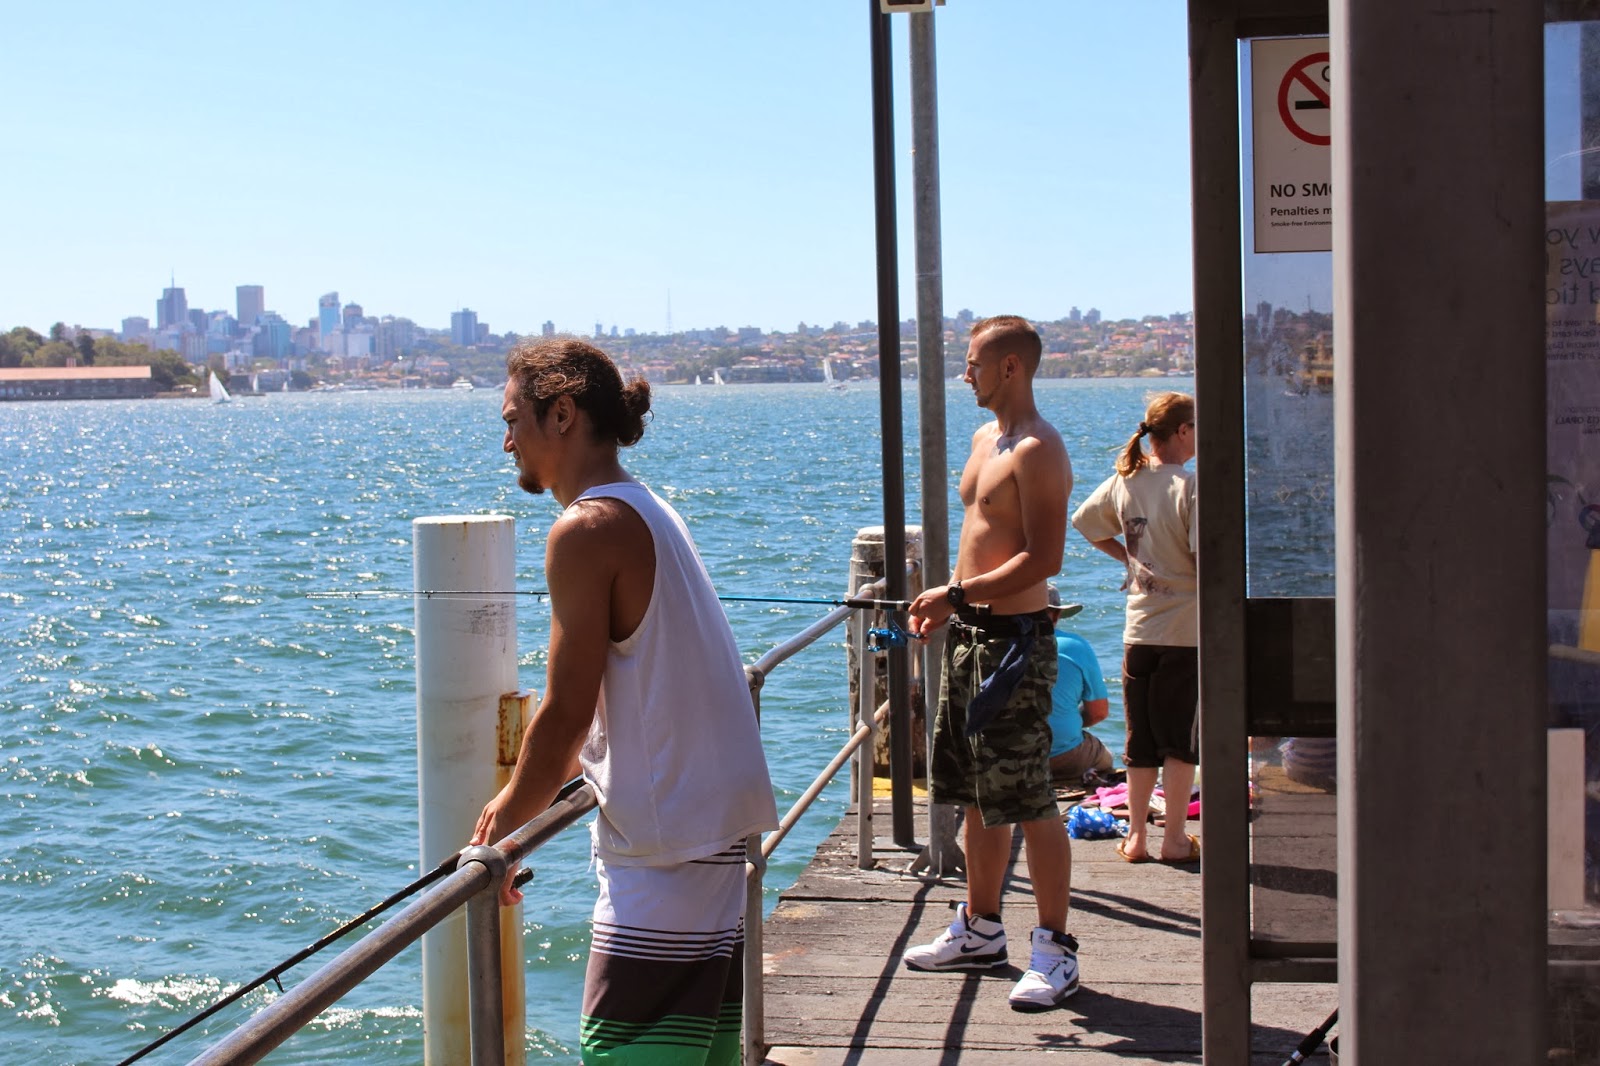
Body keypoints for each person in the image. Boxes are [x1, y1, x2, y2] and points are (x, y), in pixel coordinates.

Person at [470, 337, 778, 1065]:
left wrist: (501, 829)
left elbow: (566, 713)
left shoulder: (586, 528)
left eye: (513, 420)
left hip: (669, 846)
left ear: (562, 414)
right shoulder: (647, 506)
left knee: (621, 1053)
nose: (506, 441)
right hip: (712, 829)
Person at [900, 315, 1081, 1013]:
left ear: (1011, 367)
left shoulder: (1039, 449)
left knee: (1030, 797)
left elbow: (1044, 558)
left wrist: (954, 594)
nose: (964, 373)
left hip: (1014, 647)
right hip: (970, 637)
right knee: (976, 791)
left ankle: (1056, 950)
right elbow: (981, 539)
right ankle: (980, 930)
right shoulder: (985, 440)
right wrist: (949, 607)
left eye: (973, 362)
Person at [1070, 392, 1199, 865]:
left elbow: (1084, 521)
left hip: (1138, 631)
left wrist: (1130, 559)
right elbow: (1203, 558)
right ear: (1182, 431)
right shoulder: (1188, 486)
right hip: (1184, 632)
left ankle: (1137, 837)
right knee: (1180, 744)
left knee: (1140, 741)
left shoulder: (1127, 480)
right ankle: (1174, 839)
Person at [1043, 585, 1114, 786]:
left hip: (1010, 756)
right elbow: (1099, 713)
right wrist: (1066, 721)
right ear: (1056, 615)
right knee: (1106, 757)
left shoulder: (998, 644)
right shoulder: (1074, 645)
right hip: (1063, 757)